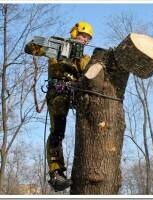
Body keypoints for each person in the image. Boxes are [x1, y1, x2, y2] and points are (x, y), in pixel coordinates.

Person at [25, 21, 93, 191]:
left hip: (76, 94)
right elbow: (30, 48)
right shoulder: (58, 48)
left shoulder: (83, 58)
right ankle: (56, 174)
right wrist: (51, 45)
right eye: (83, 35)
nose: (85, 40)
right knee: (58, 131)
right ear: (75, 32)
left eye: (88, 38)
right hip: (58, 92)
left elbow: (90, 72)